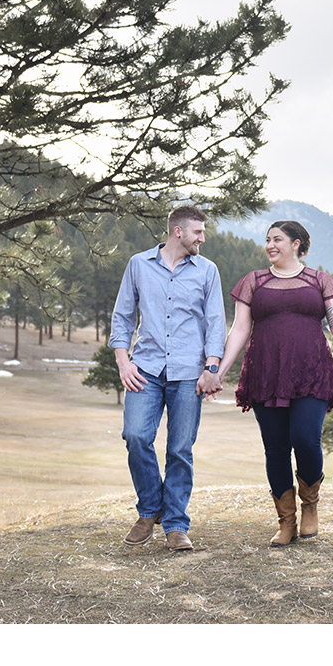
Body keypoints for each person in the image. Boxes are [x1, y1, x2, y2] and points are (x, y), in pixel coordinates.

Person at [210, 220, 333, 546]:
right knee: (276, 448)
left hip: (312, 372)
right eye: (267, 240)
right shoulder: (254, 282)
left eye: (277, 239)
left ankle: (310, 506)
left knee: (306, 439)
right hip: (266, 373)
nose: (270, 245)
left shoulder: (320, 281)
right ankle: (286, 521)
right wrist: (221, 371)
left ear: (297, 244)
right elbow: (239, 329)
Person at [110, 205, 226, 551]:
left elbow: (215, 322)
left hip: (189, 373)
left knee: (179, 449)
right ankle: (150, 508)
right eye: (197, 233)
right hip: (145, 368)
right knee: (135, 436)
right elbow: (123, 316)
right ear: (178, 232)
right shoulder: (138, 265)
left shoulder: (207, 270)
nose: (202, 239)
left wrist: (211, 369)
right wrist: (123, 362)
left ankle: (175, 524)